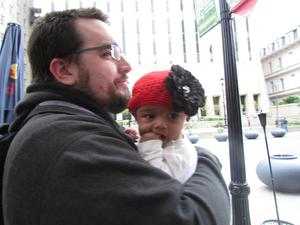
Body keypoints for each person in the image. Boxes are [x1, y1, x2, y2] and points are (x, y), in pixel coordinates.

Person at [2, 8, 231, 225]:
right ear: (64, 70)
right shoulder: (73, 142)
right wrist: (200, 156)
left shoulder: (62, 124)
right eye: (109, 53)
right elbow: (196, 219)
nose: (127, 65)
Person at [128, 65, 204, 183]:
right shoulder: (169, 143)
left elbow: (157, 182)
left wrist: (149, 146)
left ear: (185, 118)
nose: (160, 125)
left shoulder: (181, 155)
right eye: (150, 116)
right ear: (135, 117)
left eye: (173, 116)